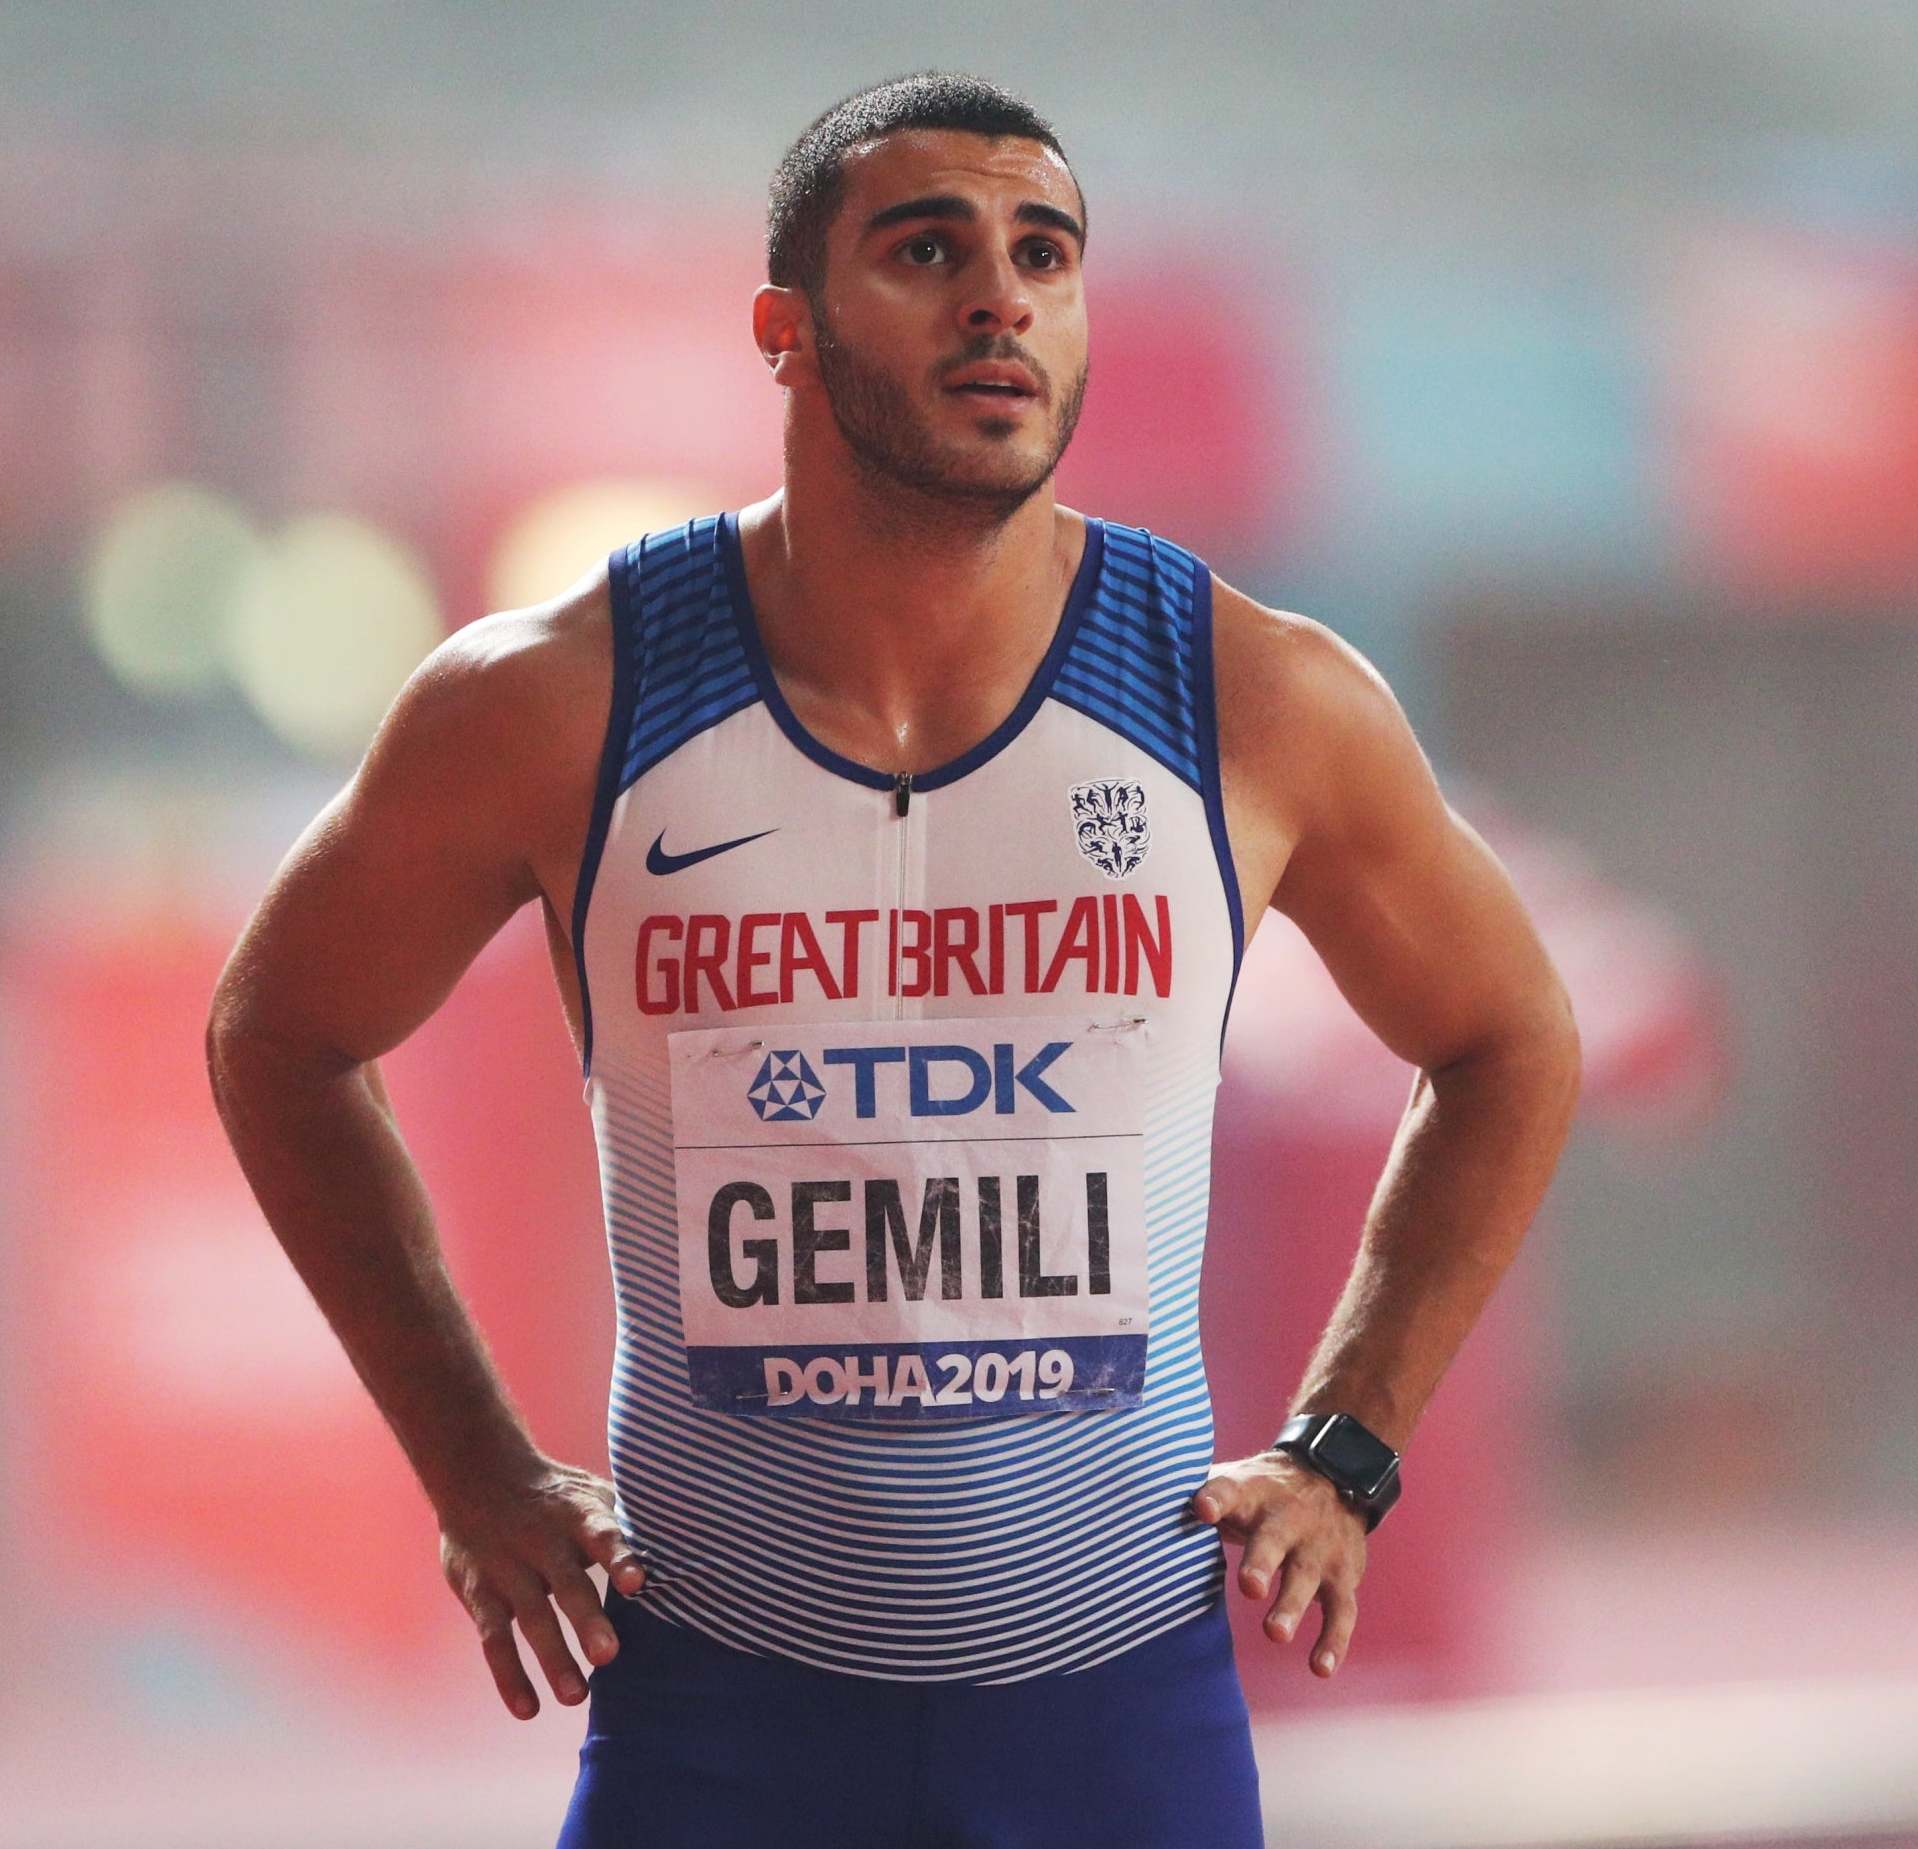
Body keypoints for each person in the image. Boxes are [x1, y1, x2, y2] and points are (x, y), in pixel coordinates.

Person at [207, 70, 1580, 1849]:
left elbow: (1507, 1037)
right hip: (719, 1712)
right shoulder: (555, 700)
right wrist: (475, 1467)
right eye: (927, 249)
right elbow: (279, 1031)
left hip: (1116, 1710)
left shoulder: (1251, 697)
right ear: (783, 331)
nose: (999, 297)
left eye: (1044, 253)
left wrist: (1348, 1441)